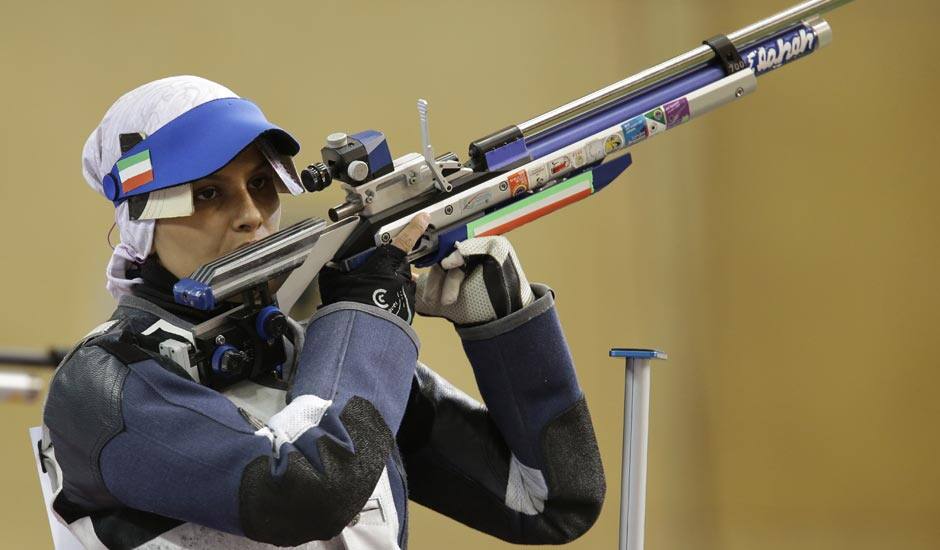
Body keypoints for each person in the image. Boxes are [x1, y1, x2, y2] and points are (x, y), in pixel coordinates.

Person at [39, 75, 605, 549]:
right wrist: (367, 308)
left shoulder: (310, 355)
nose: (251, 215)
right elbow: (308, 490)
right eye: (208, 193)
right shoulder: (103, 385)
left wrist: (499, 319)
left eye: (261, 183)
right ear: (142, 221)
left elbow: (552, 502)